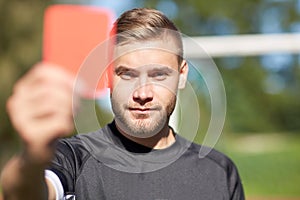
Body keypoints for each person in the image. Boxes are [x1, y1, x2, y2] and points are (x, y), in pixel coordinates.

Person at [0, 8, 244, 200]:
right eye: (127, 74)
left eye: (159, 75)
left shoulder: (220, 172)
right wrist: (32, 157)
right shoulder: (72, 159)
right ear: (107, 76)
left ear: (181, 76)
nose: (142, 93)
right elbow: (26, 193)